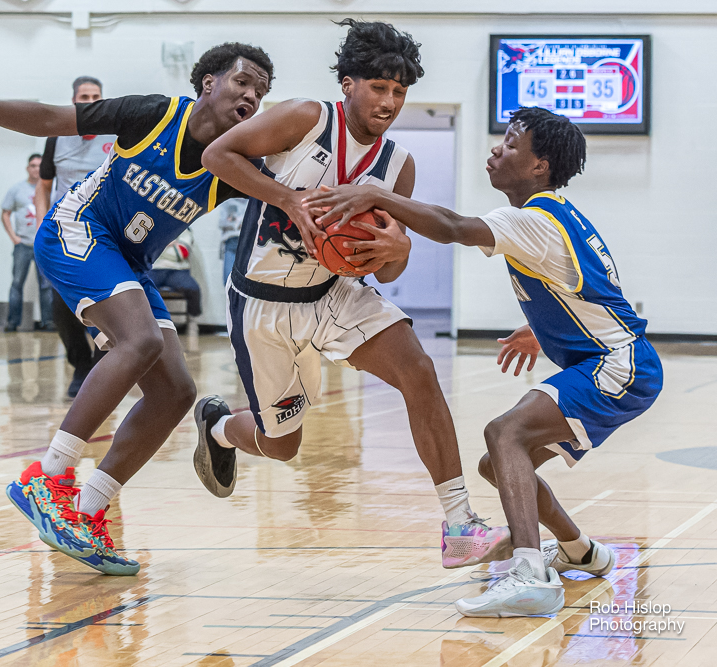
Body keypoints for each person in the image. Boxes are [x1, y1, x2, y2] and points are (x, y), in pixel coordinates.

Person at [0, 42, 274, 576]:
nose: (251, 96)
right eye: (243, 82)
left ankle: (88, 511)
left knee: (176, 392)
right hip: (77, 229)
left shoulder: (237, 163)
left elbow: (295, 194)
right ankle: (48, 477)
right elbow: (51, 118)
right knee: (141, 341)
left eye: (261, 92)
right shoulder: (153, 114)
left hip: (129, 262)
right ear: (209, 82)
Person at [305, 106, 663, 617]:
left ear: (539, 166)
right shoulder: (557, 215)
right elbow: (591, 289)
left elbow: (453, 226)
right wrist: (541, 329)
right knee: (496, 465)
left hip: (617, 366)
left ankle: (529, 576)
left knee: (504, 433)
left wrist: (378, 196)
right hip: (619, 362)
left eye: (511, 144)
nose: (496, 149)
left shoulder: (534, 219)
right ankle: (581, 551)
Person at [196, 19, 510, 569]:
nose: (389, 102)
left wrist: (400, 250)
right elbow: (217, 156)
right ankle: (219, 428)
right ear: (348, 84)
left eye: (399, 91)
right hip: (261, 302)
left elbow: (387, 272)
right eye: (379, 87)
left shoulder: (398, 166)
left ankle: (460, 524)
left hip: (334, 294)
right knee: (282, 446)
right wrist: (288, 199)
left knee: (418, 370)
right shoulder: (305, 117)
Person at [34, 76, 117, 397]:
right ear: (73, 101)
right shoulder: (57, 137)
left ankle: (98, 369)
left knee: (109, 306)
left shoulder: (117, 135)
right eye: (85, 96)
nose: (91, 101)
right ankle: (80, 365)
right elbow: (43, 186)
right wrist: (42, 225)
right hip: (65, 232)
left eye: (96, 96)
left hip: (106, 233)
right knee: (60, 307)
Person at [2, 153, 55, 332]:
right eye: (33, 165)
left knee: (46, 286)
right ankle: (12, 322)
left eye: (40, 165)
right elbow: (5, 213)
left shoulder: (51, 190)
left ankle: (48, 322)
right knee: (17, 284)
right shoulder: (17, 189)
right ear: (27, 168)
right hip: (23, 245)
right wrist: (14, 237)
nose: (36, 169)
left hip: (43, 246)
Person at [148, 230, 202, 324]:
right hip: (154, 269)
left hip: (177, 270)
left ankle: (193, 322)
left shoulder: (184, 228)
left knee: (193, 289)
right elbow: (147, 252)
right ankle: (144, 322)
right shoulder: (151, 226)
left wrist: (160, 245)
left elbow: (182, 253)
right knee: (140, 289)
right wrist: (171, 244)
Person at [218, 198, 246, 285]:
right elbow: (222, 223)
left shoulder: (253, 199)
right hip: (231, 240)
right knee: (228, 280)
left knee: (246, 279)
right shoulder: (227, 199)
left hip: (247, 241)